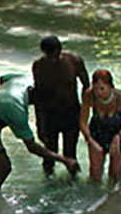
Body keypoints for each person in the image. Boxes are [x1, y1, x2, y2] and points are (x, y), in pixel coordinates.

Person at [0, 74, 80, 205]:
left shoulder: (22, 80)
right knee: (3, 167)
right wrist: (64, 160)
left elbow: (3, 79)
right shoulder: (16, 109)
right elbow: (31, 147)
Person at [31, 35, 89, 177]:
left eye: (55, 55)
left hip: (71, 112)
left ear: (60, 50)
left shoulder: (74, 61)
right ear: (43, 52)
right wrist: (39, 123)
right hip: (50, 114)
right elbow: (38, 95)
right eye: (49, 56)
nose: (53, 59)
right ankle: (47, 183)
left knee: (70, 152)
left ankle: (73, 183)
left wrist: (85, 114)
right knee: (49, 153)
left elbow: (87, 87)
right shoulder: (38, 66)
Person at [80, 69, 121, 183]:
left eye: (102, 89)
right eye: (95, 88)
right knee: (95, 174)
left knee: (114, 175)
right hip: (98, 132)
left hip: (120, 133)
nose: (99, 92)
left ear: (110, 87)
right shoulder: (89, 95)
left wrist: (118, 137)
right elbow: (83, 122)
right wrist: (90, 140)